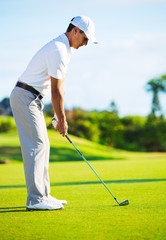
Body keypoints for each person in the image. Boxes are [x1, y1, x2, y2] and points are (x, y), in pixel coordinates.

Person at [10, 16, 98, 211]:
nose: (85, 44)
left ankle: (44, 195)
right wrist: (63, 120)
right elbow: (55, 91)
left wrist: (59, 116)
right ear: (75, 30)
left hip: (33, 99)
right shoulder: (58, 49)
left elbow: (61, 85)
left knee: (44, 145)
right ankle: (35, 199)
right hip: (25, 96)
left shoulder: (65, 50)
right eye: (85, 39)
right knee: (36, 145)